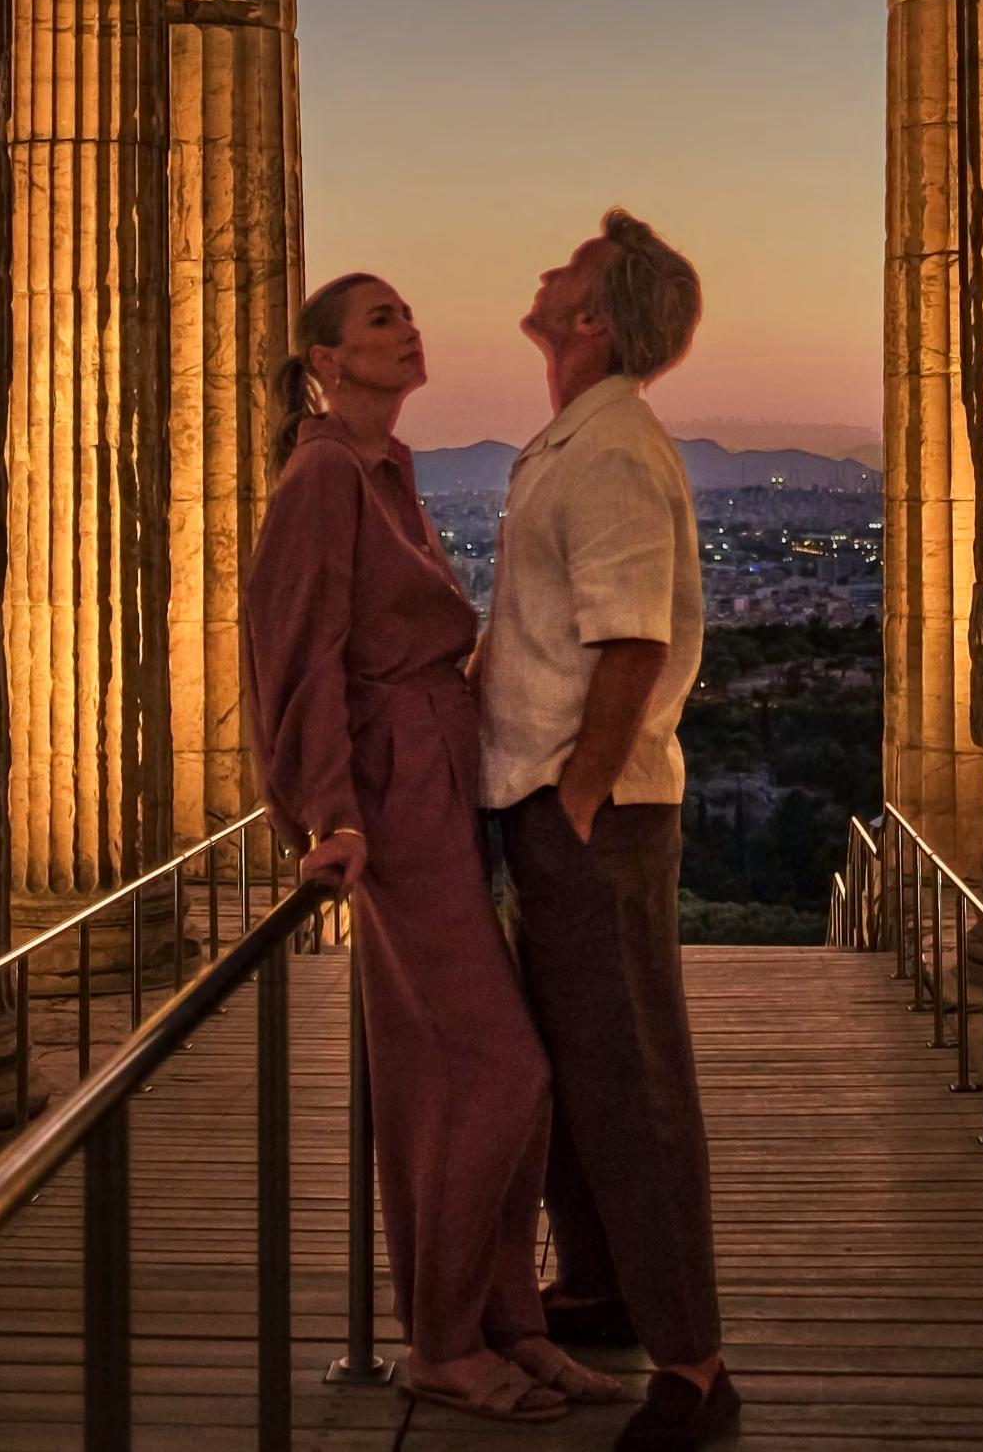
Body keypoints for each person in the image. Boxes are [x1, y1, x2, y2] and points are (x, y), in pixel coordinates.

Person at [242, 272, 624, 1425]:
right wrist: (330, 814)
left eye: (409, 314)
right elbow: (294, 654)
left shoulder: (387, 469)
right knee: (501, 1071)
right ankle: (446, 1343)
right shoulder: (322, 477)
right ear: (327, 360)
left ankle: (506, 1322)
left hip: (439, 782)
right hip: (396, 799)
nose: (409, 330)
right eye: (381, 320)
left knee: (457, 1075)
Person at [479, 211, 737, 1452]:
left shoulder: (615, 450)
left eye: (570, 271)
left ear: (591, 318)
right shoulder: (581, 439)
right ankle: (605, 1286)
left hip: (594, 810)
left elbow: (631, 641)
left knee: (632, 1079)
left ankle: (694, 1364)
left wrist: (580, 793)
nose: (546, 271)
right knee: (581, 1069)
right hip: (559, 804)